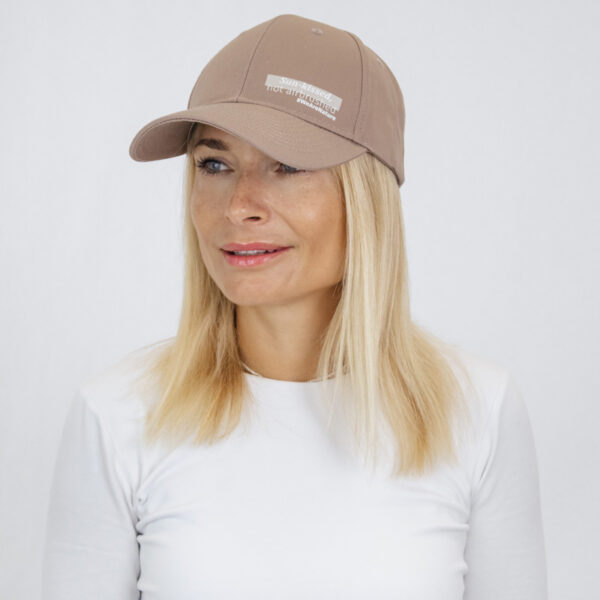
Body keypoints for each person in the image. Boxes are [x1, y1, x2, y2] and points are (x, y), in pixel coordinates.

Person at [41, 13, 548, 600]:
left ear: (366, 196)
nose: (240, 205)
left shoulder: (476, 412)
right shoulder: (118, 415)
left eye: (288, 165)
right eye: (214, 163)